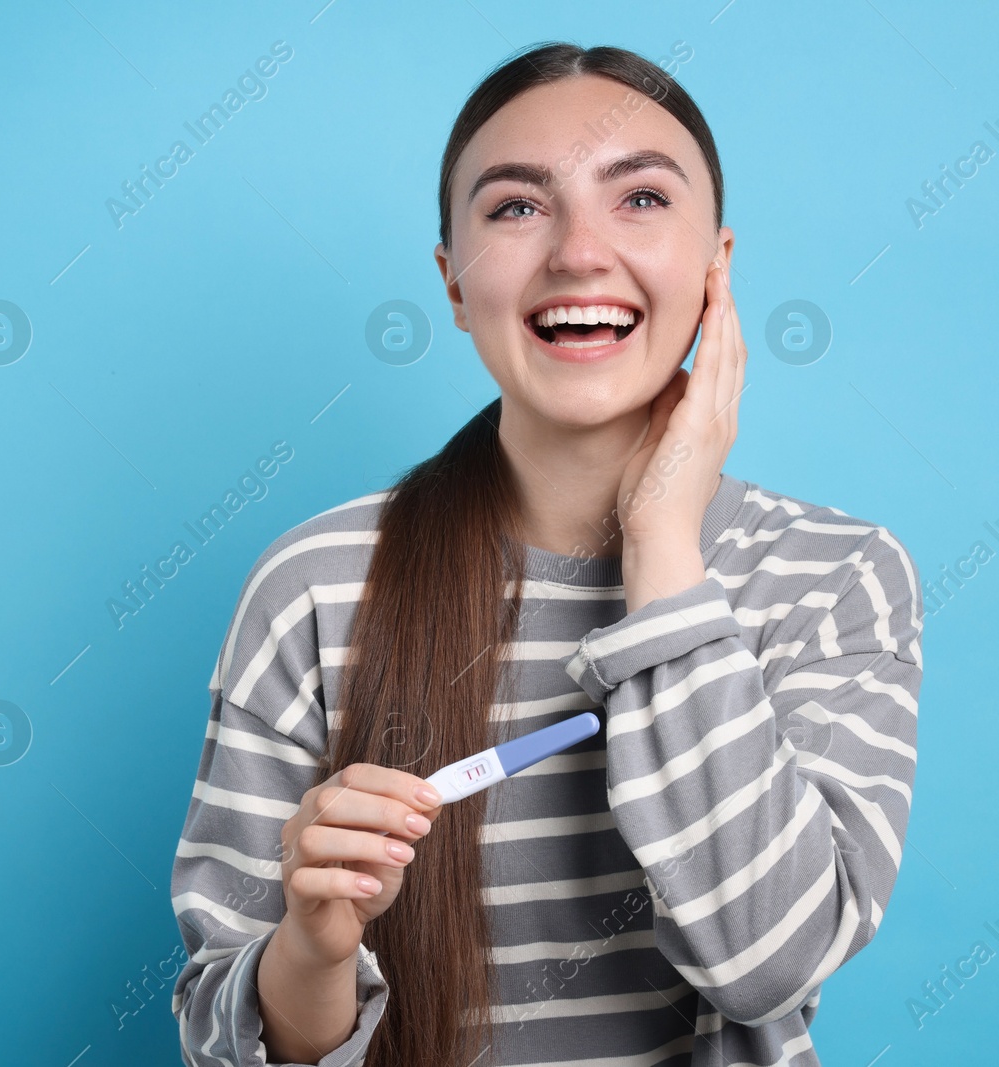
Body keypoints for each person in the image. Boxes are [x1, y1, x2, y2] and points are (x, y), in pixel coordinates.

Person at [168, 41, 923, 1067]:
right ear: (450, 281)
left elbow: (768, 963)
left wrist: (661, 547)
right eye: (516, 208)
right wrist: (312, 944)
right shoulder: (313, 584)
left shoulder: (832, 576)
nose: (576, 253)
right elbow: (223, 1038)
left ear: (717, 266)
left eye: (641, 199)